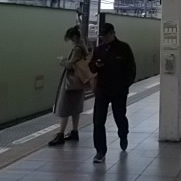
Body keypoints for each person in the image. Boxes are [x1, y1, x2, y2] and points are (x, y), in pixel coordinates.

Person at [88, 23, 136, 163]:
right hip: (102, 89)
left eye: (106, 36)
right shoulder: (99, 50)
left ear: (113, 33)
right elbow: (91, 68)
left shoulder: (124, 48)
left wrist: (125, 85)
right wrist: (96, 65)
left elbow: (131, 69)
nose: (103, 39)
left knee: (119, 116)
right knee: (98, 121)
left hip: (119, 90)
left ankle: (123, 134)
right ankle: (100, 151)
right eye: (101, 36)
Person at [48, 25, 88, 146]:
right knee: (75, 109)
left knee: (64, 108)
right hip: (79, 83)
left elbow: (71, 65)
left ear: (74, 37)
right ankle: (74, 132)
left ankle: (60, 134)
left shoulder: (77, 48)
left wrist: (63, 61)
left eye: (70, 39)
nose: (70, 41)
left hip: (71, 83)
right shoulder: (83, 46)